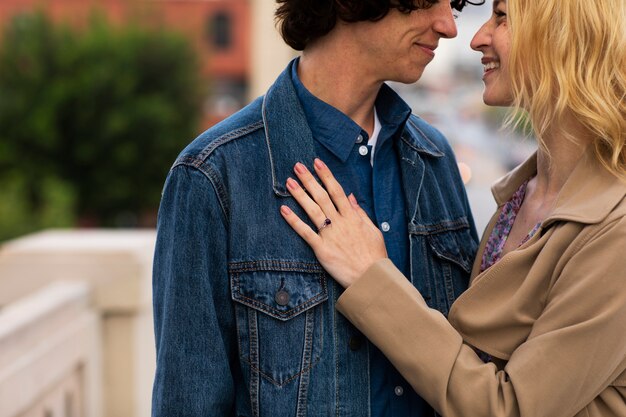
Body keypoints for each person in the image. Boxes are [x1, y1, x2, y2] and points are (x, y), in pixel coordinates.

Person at [280, 0, 626, 415]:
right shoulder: (520, 198)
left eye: (502, 18)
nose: (475, 37)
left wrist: (372, 278)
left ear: (563, 36)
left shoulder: (615, 229)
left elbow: (509, 407)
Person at [151, 0, 485, 415]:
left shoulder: (435, 161)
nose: (448, 26)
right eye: (427, 2)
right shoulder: (212, 176)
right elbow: (188, 403)